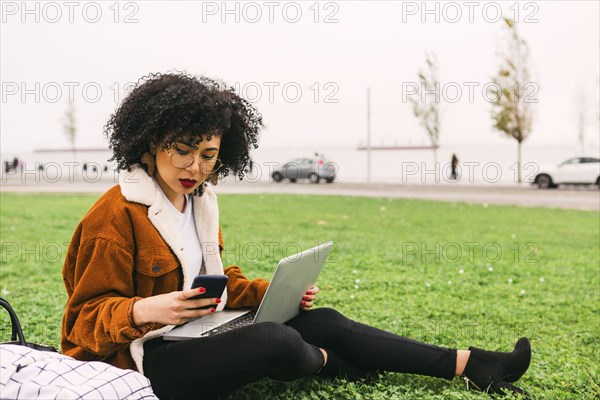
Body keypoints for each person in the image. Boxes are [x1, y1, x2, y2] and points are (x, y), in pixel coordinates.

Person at [61, 73, 532, 400]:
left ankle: (470, 364)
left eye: (208, 155)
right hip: (146, 363)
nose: (195, 167)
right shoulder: (115, 217)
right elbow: (81, 323)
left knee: (322, 317)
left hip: (192, 336)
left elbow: (215, 281)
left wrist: (274, 292)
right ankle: (336, 363)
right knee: (273, 340)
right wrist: (146, 309)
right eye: (182, 151)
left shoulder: (201, 200)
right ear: (148, 143)